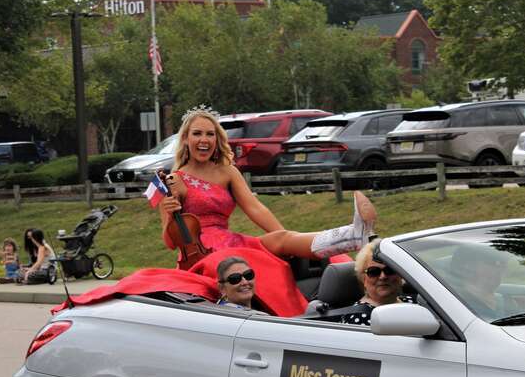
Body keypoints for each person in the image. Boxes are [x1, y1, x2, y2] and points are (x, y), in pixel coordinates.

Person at [158, 105, 376, 268]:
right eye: (197, 133)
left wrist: (283, 238)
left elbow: (255, 208)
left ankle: (354, 235)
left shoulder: (227, 171)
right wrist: (169, 212)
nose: (204, 139)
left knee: (282, 239)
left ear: (217, 139)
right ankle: (353, 235)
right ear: (185, 139)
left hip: (229, 242)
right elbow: (169, 242)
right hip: (201, 256)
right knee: (277, 245)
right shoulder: (174, 181)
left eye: (210, 134)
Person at [340, 240, 415, 326]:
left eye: (389, 270)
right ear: (364, 279)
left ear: (401, 274)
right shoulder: (360, 317)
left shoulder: (411, 301)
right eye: (373, 272)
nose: (383, 277)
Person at [448, 243, 512, 319]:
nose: (501, 269)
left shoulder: (505, 301)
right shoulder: (458, 307)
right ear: (467, 267)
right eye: (492, 262)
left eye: (503, 263)